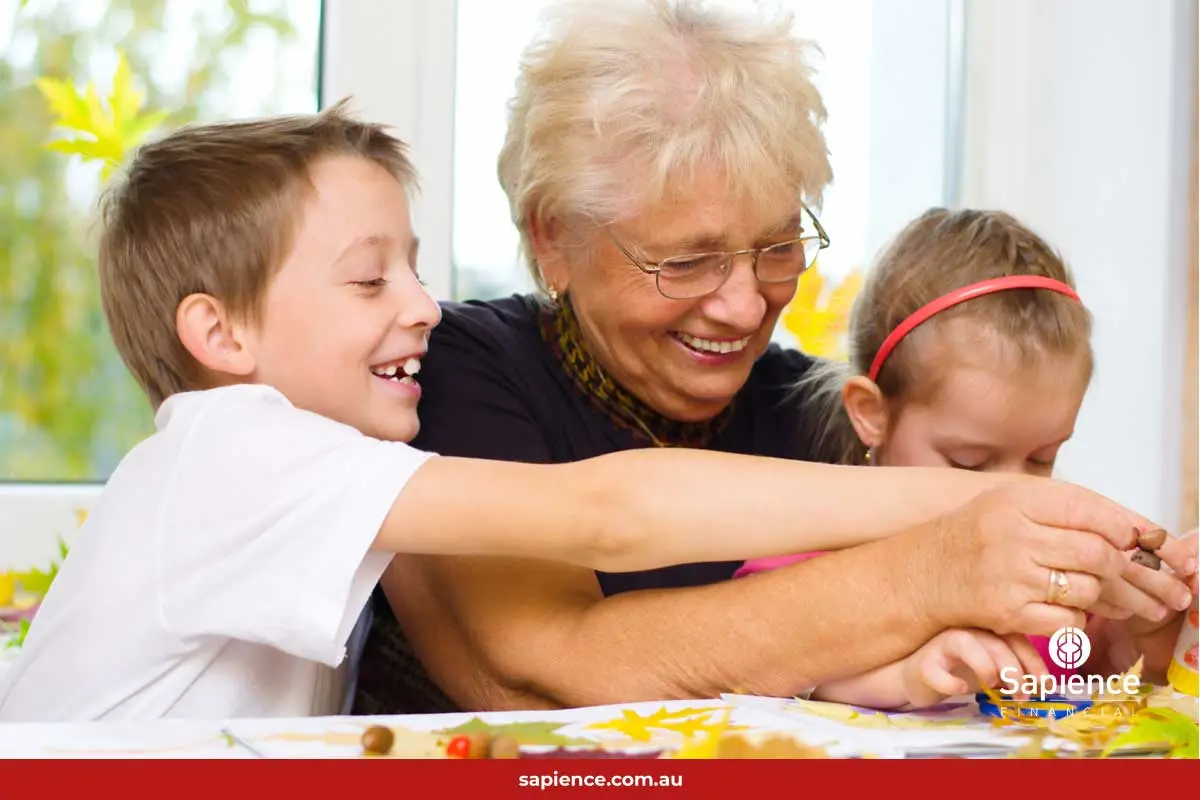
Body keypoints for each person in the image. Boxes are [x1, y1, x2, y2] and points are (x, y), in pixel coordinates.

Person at [0, 107, 1090, 724]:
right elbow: (610, 512)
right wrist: (975, 494)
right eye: (369, 282)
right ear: (221, 336)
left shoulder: (314, 467)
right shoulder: (237, 449)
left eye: (415, 270)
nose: (426, 307)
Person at [354, 0, 1192, 714]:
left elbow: (1005, 686)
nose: (746, 304)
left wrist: (1131, 633)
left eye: (778, 248)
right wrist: (930, 574)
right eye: (685, 261)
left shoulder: (817, 413)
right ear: (553, 238)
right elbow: (548, 667)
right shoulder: (456, 370)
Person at [735, 208, 1199, 709]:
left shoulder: (1051, 569)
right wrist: (907, 679)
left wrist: (1146, 634)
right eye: (970, 462)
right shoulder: (803, 555)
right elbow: (771, 671)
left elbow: (1083, 667)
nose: (1010, 493)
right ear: (871, 413)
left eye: (1042, 459)